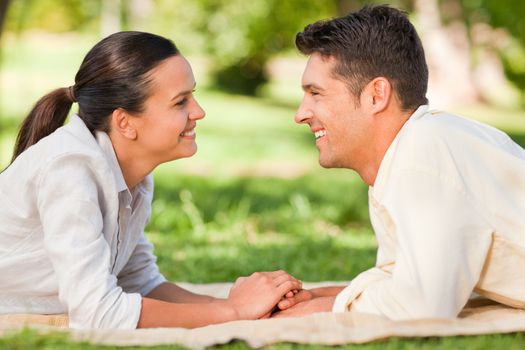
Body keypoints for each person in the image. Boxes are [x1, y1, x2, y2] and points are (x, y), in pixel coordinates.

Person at [0, 31, 302, 329]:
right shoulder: (69, 170)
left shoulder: (133, 177)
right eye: (180, 102)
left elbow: (138, 281)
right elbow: (97, 314)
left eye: (192, 96)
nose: (199, 111)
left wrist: (233, 307)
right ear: (125, 122)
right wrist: (234, 313)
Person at [274, 5, 525, 319]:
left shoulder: (424, 154)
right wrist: (318, 296)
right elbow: (398, 276)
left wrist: (324, 308)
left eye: (316, 93)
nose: (300, 114)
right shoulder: (407, 153)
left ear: (376, 95)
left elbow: (423, 306)